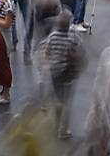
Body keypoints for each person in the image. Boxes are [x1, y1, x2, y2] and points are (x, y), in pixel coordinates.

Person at [40, 11, 85, 139]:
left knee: (58, 98)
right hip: (68, 73)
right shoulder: (73, 38)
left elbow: (46, 52)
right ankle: (63, 130)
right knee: (67, 101)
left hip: (54, 72)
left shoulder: (53, 36)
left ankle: (56, 123)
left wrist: (49, 63)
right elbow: (79, 53)